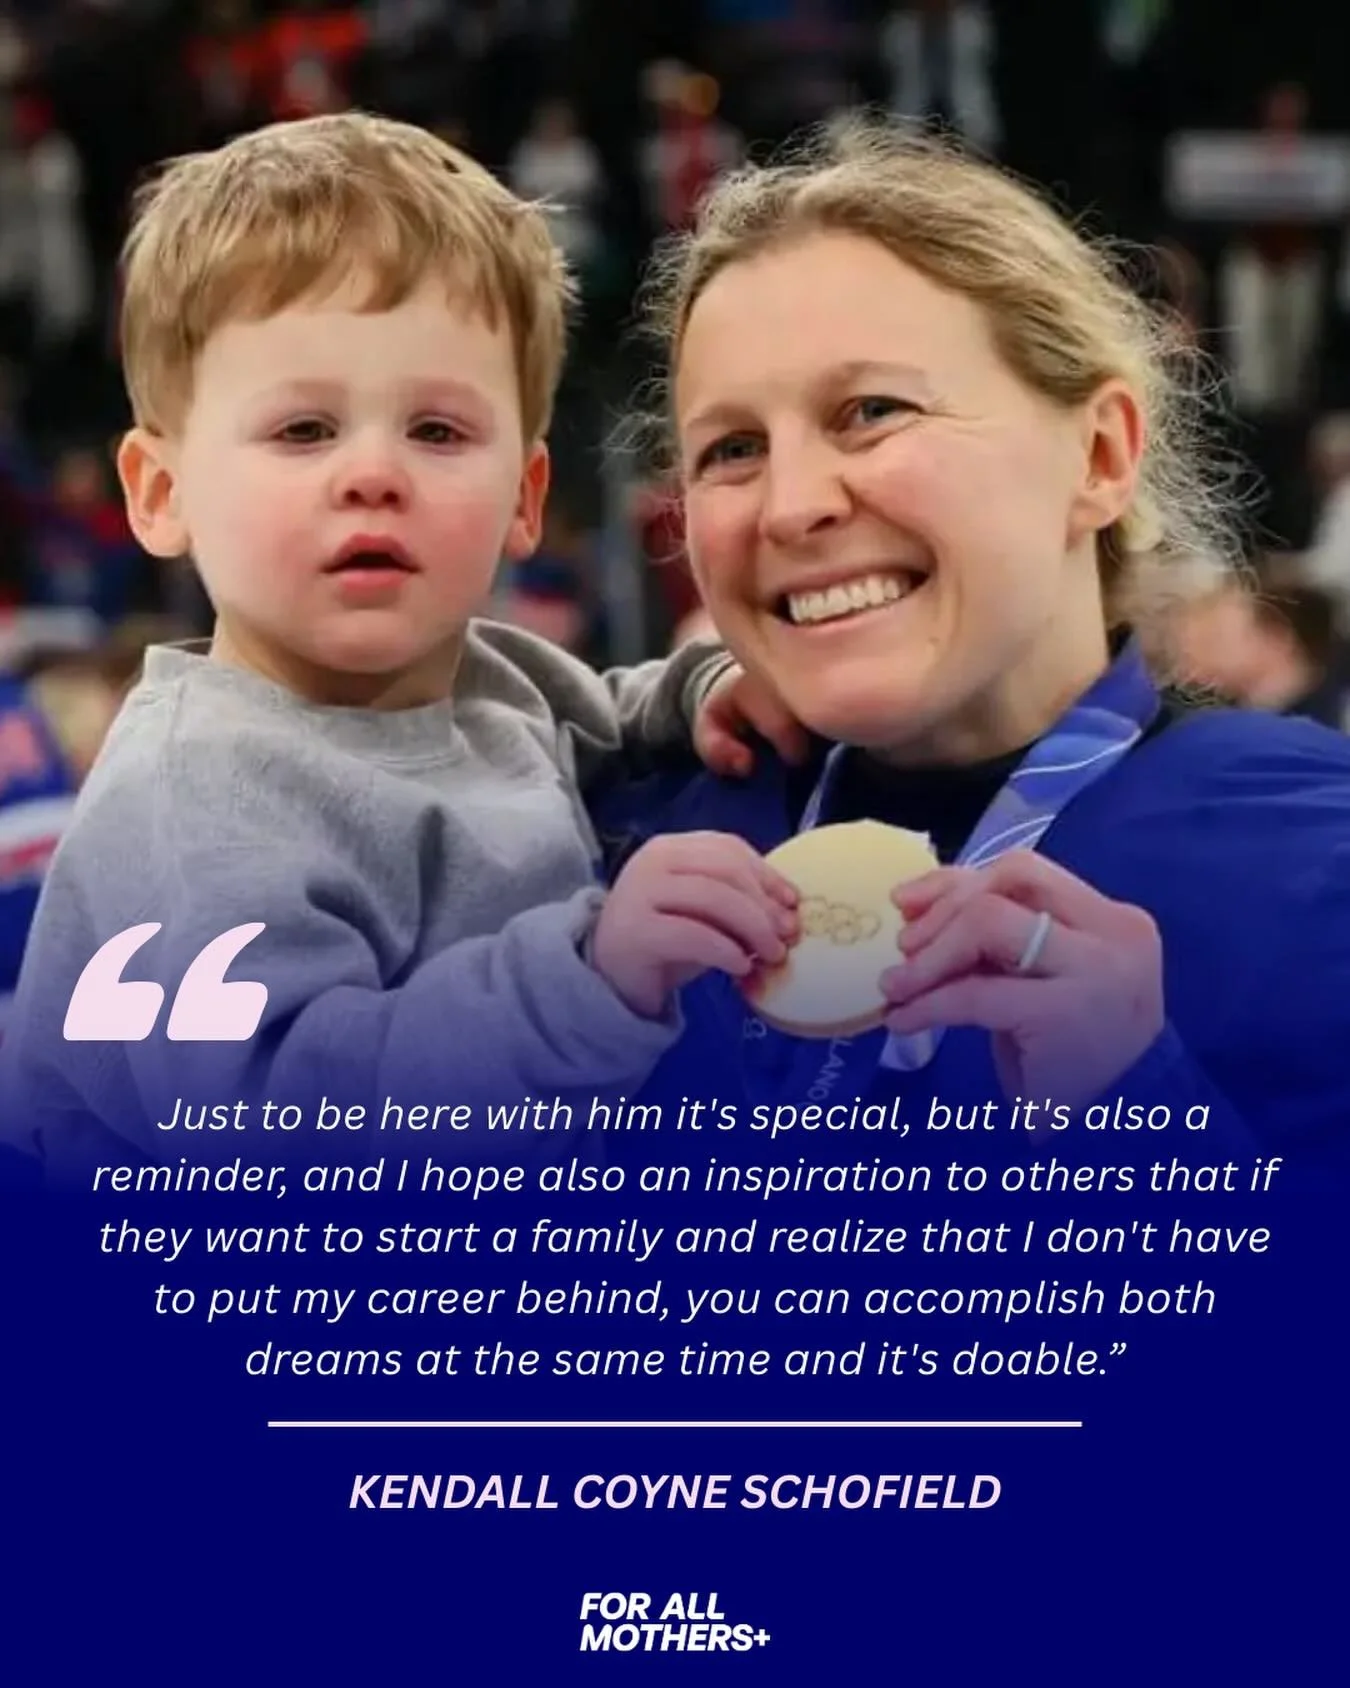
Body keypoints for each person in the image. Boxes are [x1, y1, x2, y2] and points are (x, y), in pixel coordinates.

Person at [0, 112, 803, 1177]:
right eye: (303, 429)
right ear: (160, 493)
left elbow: (604, 719)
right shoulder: (195, 804)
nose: (372, 473)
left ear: (524, 500)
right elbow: (289, 1139)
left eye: (437, 430)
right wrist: (592, 978)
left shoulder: (483, 674)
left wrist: (701, 692)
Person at [592, 117, 1350, 1171]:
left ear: (1099, 453)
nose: (792, 504)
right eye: (731, 449)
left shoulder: (1318, 855)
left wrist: (1139, 1119)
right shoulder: (618, 848)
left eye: (870, 411)